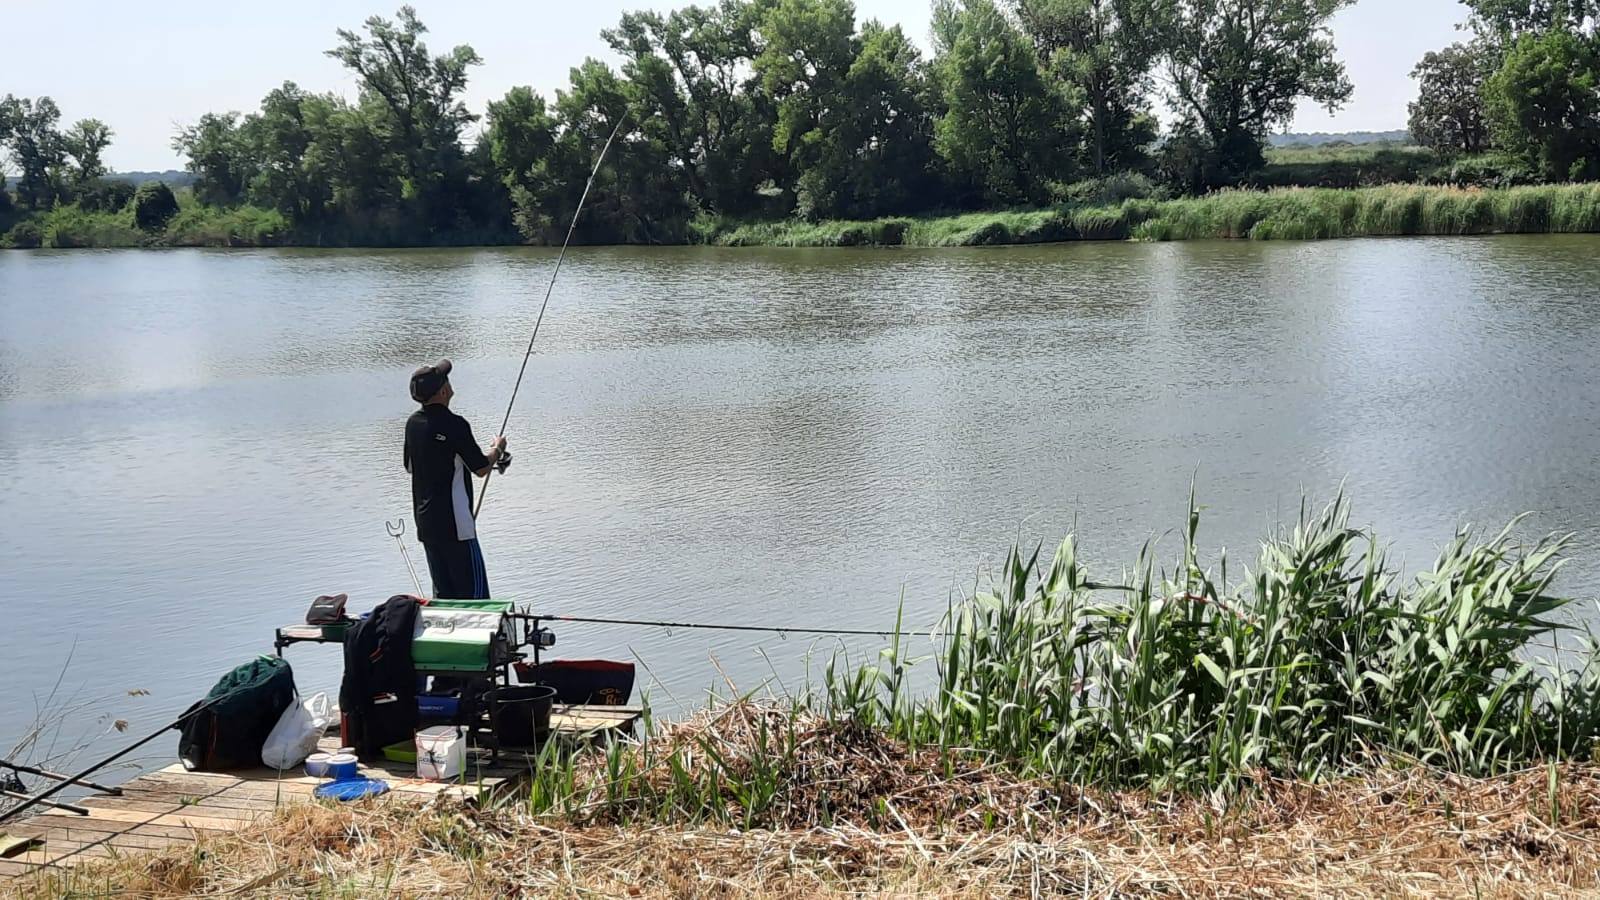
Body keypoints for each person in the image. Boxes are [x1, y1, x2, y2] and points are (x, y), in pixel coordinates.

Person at [403, 359, 508, 599]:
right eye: (446, 380)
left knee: (445, 597)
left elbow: (410, 467)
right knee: (475, 598)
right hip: (457, 527)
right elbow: (481, 468)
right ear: (443, 391)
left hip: (427, 524)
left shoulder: (413, 424)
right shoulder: (455, 424)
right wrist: (498, 449)